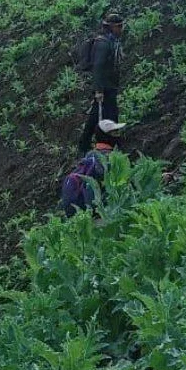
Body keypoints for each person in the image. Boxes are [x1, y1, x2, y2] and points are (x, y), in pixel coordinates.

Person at [78, 13, 124, 154]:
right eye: (119, 26)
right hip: (104, 87)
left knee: (106, 115)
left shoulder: (111, 41)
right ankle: (91, 146)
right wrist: (98, 90)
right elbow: (98, 67)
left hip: (109, 86)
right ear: (111, 27)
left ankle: (90, 145)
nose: (121, 29)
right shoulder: (103, 43)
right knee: (106, 116)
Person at [61, 119, 125, 217]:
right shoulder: (109, 158)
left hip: (85, 211)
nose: (118, 135)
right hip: (103, 213)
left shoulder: (90, 155)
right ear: (106, 136)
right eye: (115, 132)